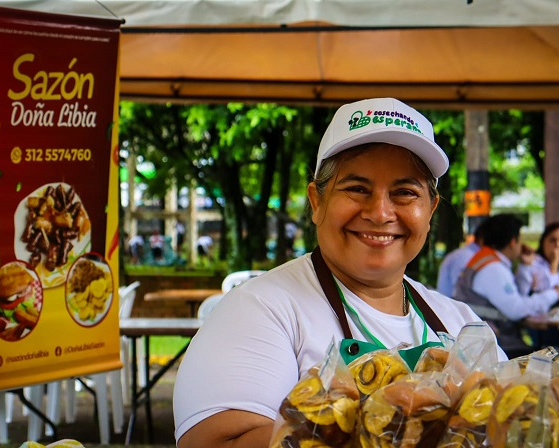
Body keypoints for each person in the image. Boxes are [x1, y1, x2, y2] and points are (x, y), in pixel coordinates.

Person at [173, 97, 506, 448]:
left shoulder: (463, 327)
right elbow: (215, 442)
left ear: (430, 210)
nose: (380, 213)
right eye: (357, 188)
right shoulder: (261, 311)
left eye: (405, 192)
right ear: (317, 202)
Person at [452, 214, 559, 357]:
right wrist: (555, 293)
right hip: (492, 347)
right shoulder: (493, 268)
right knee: (550, 359)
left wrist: (525, 266)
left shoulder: (486, 260)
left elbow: (517, 298)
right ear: (513, 241)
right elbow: (517, 310)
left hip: (483, 341)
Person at [436, 217, 491, 297]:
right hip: (450, 306)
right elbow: (461, 292)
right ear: (481, 239)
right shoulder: (464, 257)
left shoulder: (470, 255)